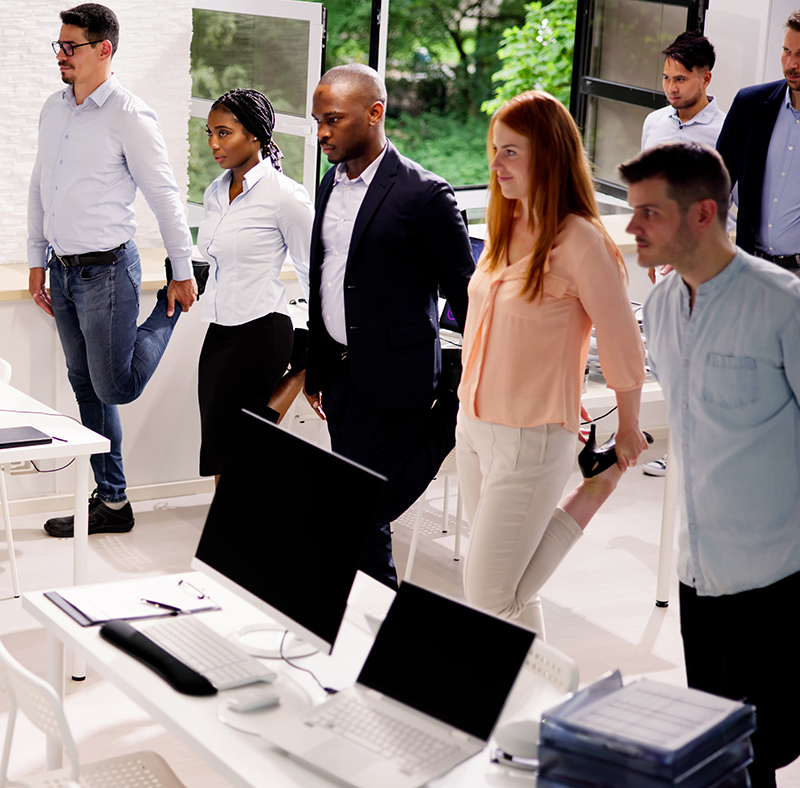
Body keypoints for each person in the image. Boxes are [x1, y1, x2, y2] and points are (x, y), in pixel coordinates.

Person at [620, 141, 800, 788]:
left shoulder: (785, 305)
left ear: (702, 215)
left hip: (776, 585)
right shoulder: (663, 308)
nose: (631, 227)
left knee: (765, 752)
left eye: (648, 213)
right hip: (699, 577)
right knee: (721, 759)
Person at [456, 91, 648, 638]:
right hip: (473, 426)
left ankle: (519, 709)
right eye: (494, 151)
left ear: (549, 153)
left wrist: (630, 427)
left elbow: (620, 341)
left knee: (486, 592)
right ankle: (525, 710)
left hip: (532, 436)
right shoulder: (504, 226)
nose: (495, 165)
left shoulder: (582, 242)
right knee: (510, 589)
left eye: (510, 152)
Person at [27, 3, 197, 538]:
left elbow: (164, 196)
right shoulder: (53, 109)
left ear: (104, 50)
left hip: (107, 273)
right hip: (63, 270)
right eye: (59, 46)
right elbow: (40, 186)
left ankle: (168, 314)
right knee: (87, 387)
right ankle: (114, 503)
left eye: (70, 46)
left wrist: (182, 268)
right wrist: (37, 258)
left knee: (116, 387)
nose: (62, 56)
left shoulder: (130, 114)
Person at [304, 64, 474, 590]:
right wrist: (316, 366)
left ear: (375, 113)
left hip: (395, 375)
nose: (322, 132)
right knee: (361, 511)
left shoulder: (426, 195)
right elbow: (327, 276)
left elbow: (464, 292)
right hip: (339, 374)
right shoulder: (330, 181)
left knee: (361, 509)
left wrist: (476, 375)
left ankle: (446, 421)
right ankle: (367, 622)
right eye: (317, 121)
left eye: (332, 119)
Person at [197, 89, 312, 484]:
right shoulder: (215, 192)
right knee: (216, 445)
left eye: (224, 133)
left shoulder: (285, 197)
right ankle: (228, 534)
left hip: (260, 328)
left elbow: (312, 269)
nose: (213, 143)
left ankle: (303, 370)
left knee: (239, 442)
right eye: (210, 132)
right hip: (219, 328)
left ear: (256, 137)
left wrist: (323, 339)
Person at [716, 9, 800, 274]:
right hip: (748, 270)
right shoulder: (749, 106)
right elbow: (713, 183)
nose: (790, 64)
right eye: (786, 51)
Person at [641, 32, 725, 151]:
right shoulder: (653, 121)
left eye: (680, 79)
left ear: (706, 79)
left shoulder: (724, 131)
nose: (671, 89)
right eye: (666, 78)